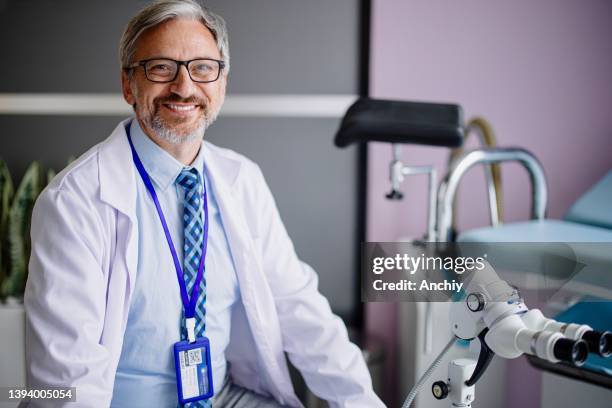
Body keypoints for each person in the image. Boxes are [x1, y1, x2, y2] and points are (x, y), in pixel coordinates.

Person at [23, 1, 385, 407]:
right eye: (161, 67)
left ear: (222, 84)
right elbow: (66, 382)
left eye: (202, 68)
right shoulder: (74, 202)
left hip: (222, 397)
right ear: (128, 85)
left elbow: (301, 310)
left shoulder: (241, 179)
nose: (184, 86)